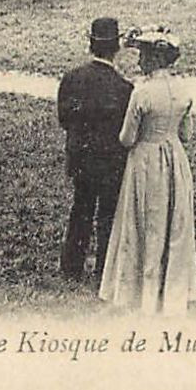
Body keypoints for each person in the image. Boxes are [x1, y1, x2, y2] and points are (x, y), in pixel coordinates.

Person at [100, 28, 196, 316]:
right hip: (175, 158)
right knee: (173, 225)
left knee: (145, 222)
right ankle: (169, 291)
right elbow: (187, 134)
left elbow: (127, 138)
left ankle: (141, 293)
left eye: (144, 55)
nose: (140, 61)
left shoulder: (142, 92)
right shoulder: (183, 91)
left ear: (156, 59)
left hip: (146, 160)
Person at [57, 17, 135, 282]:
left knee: (80, 209)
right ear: (117, 49)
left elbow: (64, 119)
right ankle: (105, 268)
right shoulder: (125, 88)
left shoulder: (71, 79)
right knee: (108, 215)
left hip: (81, 157)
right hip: (111, 162)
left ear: (90, 44)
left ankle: (71, 267)